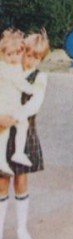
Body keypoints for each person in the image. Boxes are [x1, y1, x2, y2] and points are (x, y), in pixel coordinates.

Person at [0, 29, 50, 239]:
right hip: (2, 128)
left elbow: (34, 104)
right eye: (27, 55)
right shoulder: (9, 68)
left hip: (23, 130)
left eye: (36, 57)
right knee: (1, 182)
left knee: (20, 180)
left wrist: (14, 116)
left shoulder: (40, 77)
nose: (30, 60)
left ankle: (21, 230)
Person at [0, 29, 36, 174]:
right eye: (9, 55)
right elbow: (20, 83)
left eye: (17, 54)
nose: (14, 58)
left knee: (16, 127)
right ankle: (15, 154)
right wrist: (32, 89)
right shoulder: (6, 68)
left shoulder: (12, 66)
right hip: (5, 105)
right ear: (2, 54)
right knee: (10, 129)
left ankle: (13, 155)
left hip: (12, 104)